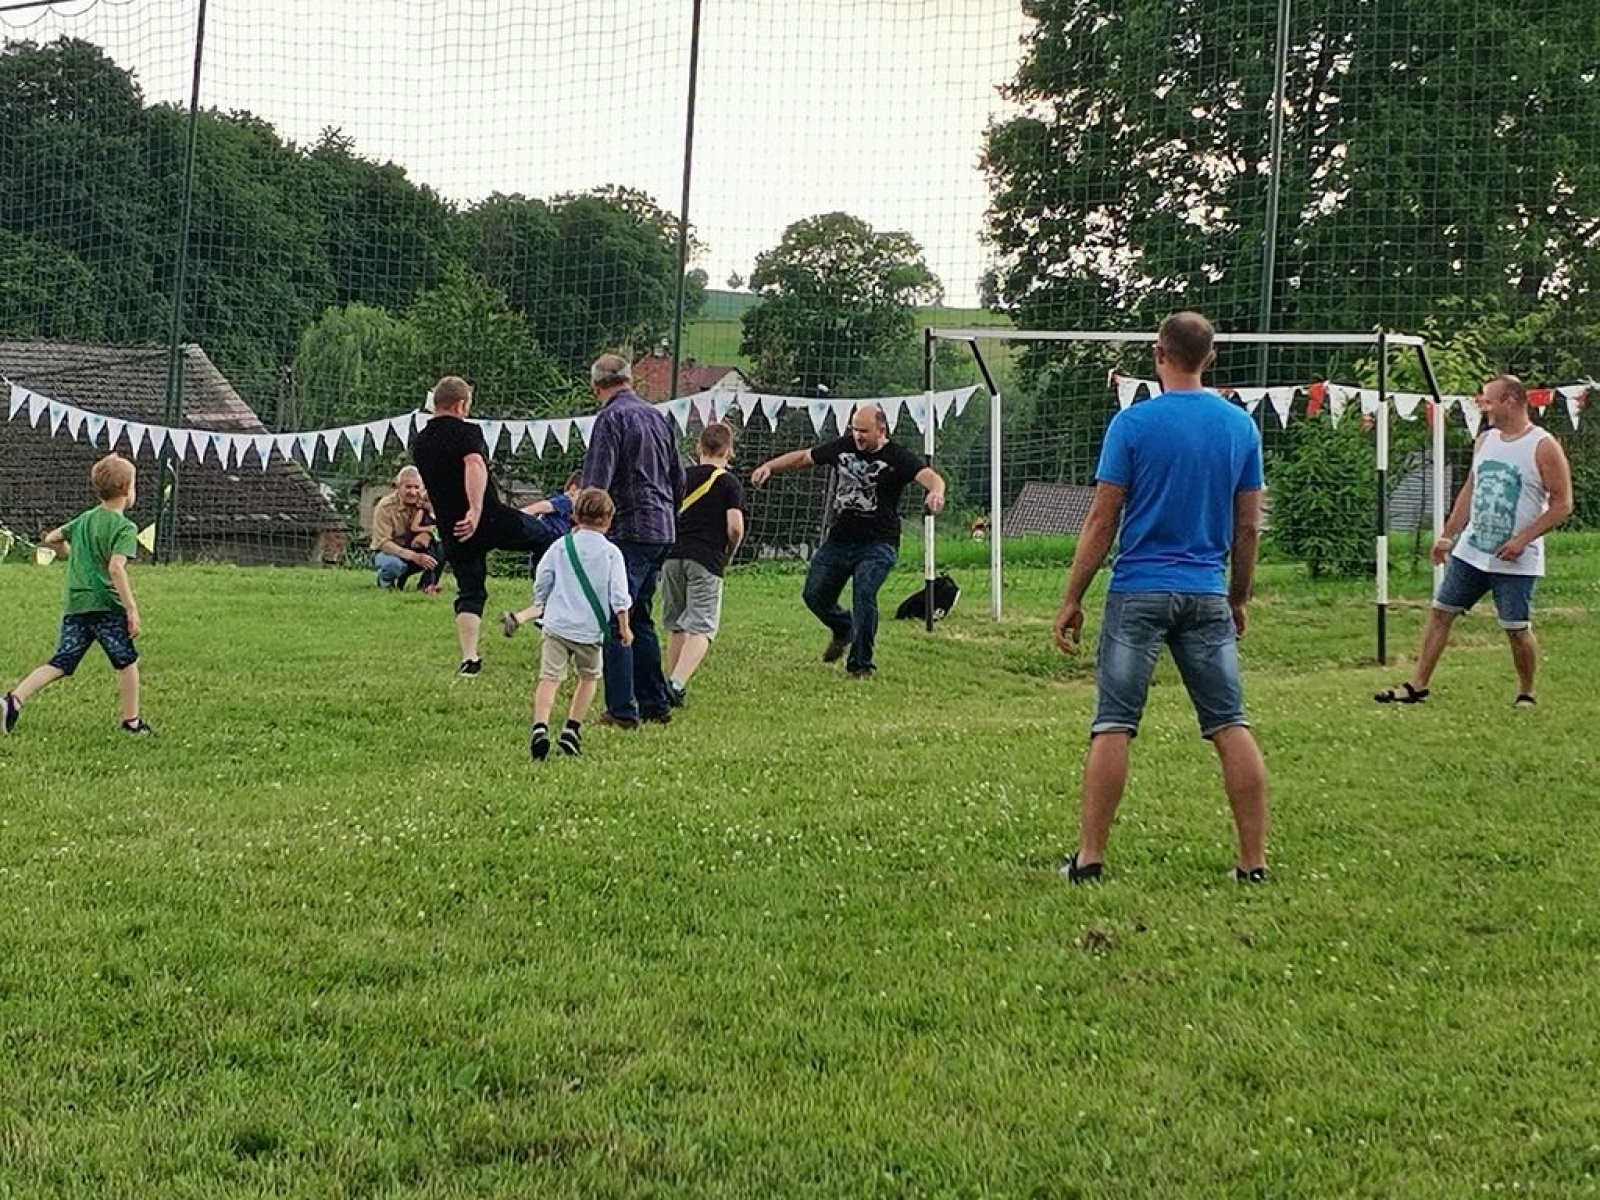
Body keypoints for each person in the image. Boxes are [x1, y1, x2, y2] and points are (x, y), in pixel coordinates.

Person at [1052, 311, 1268, 884]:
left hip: (1137, 591)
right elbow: (1248, 527)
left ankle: (1091, 859)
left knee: (1113, 724)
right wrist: (1238, 596)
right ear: (1211, 357)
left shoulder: (1132, 424)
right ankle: (1253, 864)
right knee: (1230, 723)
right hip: (1204, 594)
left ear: (1158, 354)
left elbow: (1102, 519)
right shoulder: (1241, 428)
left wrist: (1073, 596)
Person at [1374, 374, 1573, 707]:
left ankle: (1526, 692)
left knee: (1516, 627)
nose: (1484, 406)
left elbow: (1563, 504)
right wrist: (1447, 535)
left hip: (1515, 558)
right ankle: (1417, 685)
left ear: (1510, 401)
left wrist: (1522, 540)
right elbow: (1470, 489)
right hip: (1473, 550)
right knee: (1441, 612)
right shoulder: (1485, 441)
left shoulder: (1542, 445)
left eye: (1489, 400)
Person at [750, 404, 945, 678]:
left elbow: (931, 478)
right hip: (840, 541)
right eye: (854, 430)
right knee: (814, 595)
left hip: (878, 544)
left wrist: (935, 493)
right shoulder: (842, 447)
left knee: (864, 592)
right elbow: (804, 458)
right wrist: (770, 466)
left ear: (881, 430)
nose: (857, 436)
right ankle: (843, 628)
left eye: (864, 431)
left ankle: (860, 664)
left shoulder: (897, 457)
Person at [411, 375, 572, 676]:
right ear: (461, 405)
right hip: (489, 519)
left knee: (470, 591)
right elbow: (474, 464)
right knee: (548, 538)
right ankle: (544, 603)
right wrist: (474, 509)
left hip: (453, 528)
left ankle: (470, 659)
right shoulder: (467, 432)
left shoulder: (420, 441)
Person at [3, 454, 153, 737]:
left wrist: (73, 554)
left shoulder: (85, 519)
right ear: (125, 489)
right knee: (128, 663)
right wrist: (131, 609)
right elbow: (116, 568)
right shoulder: (125, 528)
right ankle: (131, 723)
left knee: (61, 661)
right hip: (106, 607)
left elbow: (53, 539)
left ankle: (13, 700)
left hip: (76, 605)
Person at [580, 353, 685, 728]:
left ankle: (623, 710)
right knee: (640, 617)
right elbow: (679, 478)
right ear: (630, 380)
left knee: (615, 619)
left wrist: (583, 526)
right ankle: (655, 704)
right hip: (663, 529)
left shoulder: (610, 419)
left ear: (596, 387)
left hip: (628, 531)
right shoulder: (658, 417)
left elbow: (596, 485)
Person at [528, 488, 635, 760]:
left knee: (549, 679)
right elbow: (620, 595)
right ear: (610, 518)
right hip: (590, 630)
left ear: (574, 516)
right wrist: (624, 626)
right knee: (588, 678)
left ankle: (540, 726)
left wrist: (541, 604)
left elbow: (543, 578)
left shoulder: (561, 546)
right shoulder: (612, 553)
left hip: (556, 625)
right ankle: (571, 728)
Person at [661, 421, 746, 706]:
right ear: (729, 451)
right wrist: (729, 551)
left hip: (672, 555)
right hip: (706, 557)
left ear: (698, 447)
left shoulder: (681, 477)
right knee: (702, 626)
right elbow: (734, 526)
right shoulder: (728, 482)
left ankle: (670, 681)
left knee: (675, 623)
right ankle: (676, 683)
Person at [500, 471, 582, 637]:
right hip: (549, 543)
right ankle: (542, 620)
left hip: (543, 559)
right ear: (573, 489)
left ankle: (518, 618)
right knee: (555, 595)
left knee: (548, 597)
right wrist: (519, 515)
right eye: (583, 495)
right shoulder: (565, 501)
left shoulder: (572, 517)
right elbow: (542, 506)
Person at [369, 465, 443, 593]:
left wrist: (427, 534)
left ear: (423, 488)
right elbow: (383, 542)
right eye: (408, 487)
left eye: (416, 487)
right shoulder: (385, 506)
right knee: (394, 566)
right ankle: (386, 582)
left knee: (443, 549)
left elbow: (440, 528)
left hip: (418, 548)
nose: (412, 492)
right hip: (389, 552)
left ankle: (427, 586)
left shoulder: (427, 503)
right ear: (398, 487)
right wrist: (414, 556)